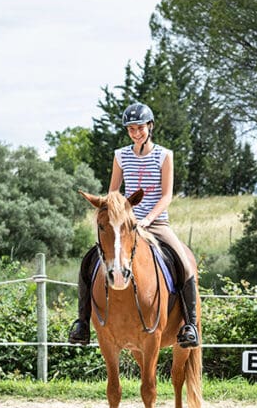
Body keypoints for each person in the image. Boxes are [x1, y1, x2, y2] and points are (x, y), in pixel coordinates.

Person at [67, 102, 200, 348]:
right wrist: (116, 215)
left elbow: (166, 196)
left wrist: (147, 219)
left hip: (156, 223)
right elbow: (113, 193)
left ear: (150, 127)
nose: (136, 133)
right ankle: (82, 324)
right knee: (89, 262)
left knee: (185, 264)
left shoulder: (164, 155)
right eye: (131, 129)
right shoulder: (120, 155)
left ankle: (190, 325)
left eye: (139, 127)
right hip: (124, 225)